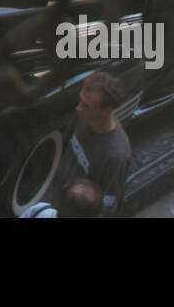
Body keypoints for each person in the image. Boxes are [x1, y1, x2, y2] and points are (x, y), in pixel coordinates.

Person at [49, 71, 132, 216]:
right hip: (57, 199)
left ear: (106, 110)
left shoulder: (116, 155)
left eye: (86, 105)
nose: (78, 108)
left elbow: (106, 206)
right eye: (80, 101)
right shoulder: (83, 116)